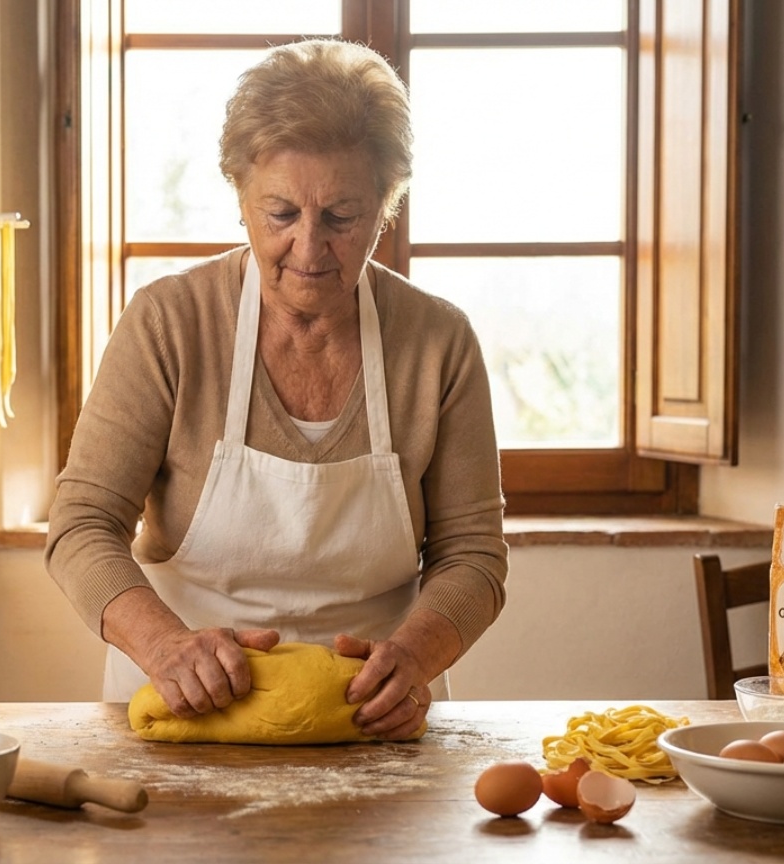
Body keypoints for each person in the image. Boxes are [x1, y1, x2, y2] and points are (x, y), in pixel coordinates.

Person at [45, 38, 507, 742]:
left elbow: (473, 553)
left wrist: (414, 657)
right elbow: (80, 524)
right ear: (240, 195)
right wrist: (167, 649)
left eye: (343, 217)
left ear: (387, 206)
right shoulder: (170, 323)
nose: (310, 248)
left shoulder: (438, 342)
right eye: (282, 213)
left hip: (372, 723)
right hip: (185, 711)